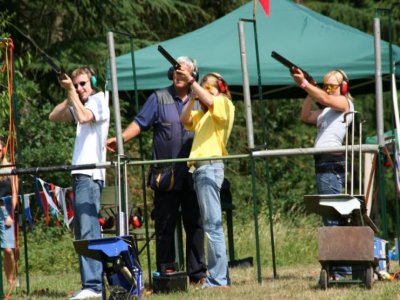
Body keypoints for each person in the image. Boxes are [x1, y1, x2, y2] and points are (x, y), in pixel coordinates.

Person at [106, 56, 207, 285]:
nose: (178, 76)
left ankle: (197, 274)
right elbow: (140, 123)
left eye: (183, 73)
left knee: (195, 224)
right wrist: (120, 139)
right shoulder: (158, 97)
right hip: (166, 175)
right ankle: (166, 273)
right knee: (164, 226)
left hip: (193, 172)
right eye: (176, 72)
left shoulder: (202, 98)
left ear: (193, 75)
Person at [49, 67, 110, 299]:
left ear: (92, 82)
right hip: (80, 174)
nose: (80, 88)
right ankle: (91, 284)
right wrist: (69, 94)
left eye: (83, 83)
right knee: (83, 230)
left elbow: (85, 117)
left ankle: (93, 286)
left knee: (88, 230)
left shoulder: (99, 100)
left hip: (90, 174)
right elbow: (54, 116)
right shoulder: (80, 100)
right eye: (77, 85)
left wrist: (71, 92)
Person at [292, 68, 354, 278]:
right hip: (323, 162)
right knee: (330, 216)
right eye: (325, 85)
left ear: (343, 88)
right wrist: (310, 91)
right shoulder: (328, 110)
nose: (328, 90)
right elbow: (305, 116)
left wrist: (306, 85)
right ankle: (340, 268)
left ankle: (340, 270)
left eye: (332, 86)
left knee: (332, 216)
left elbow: (326, 98)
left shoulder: (344, 103)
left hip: (330, 162)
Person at [180, 72, 235, 288]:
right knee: (211, 224)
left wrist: (193, 83)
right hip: (203, 170)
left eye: (209, 86)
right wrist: (193, 96)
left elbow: (212, 99)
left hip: (210, 168)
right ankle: (220, 276)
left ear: (220, 88)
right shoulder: (204, 115)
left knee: (212, 225)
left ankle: (218, 279)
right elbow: (183, 119)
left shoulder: (224, 103)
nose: (205, 90)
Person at [0, 137, 19, 291]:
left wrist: (10, 214)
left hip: (5, 211)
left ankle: (11, 281)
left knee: (8, 249)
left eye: (0, 148)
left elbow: (14, 194)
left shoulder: (11, 168)